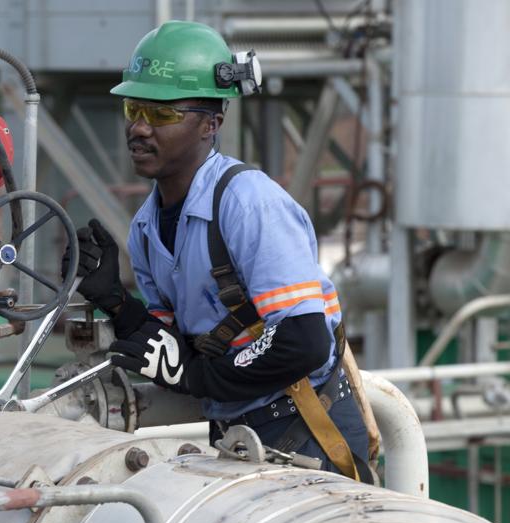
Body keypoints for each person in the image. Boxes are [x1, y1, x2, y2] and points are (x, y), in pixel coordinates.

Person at [64, 21, 373, 480]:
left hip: (307, 428)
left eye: (163, 114)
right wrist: (115, 300)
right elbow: (177, 352)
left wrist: (202, 378)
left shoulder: (249, 203)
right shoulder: (147, 227)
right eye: (134, 108)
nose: (139, 128)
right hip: (234, 434)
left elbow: (303, 339)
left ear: (211, 123)